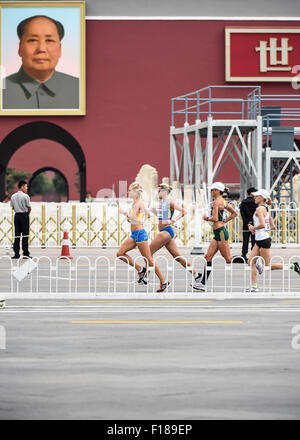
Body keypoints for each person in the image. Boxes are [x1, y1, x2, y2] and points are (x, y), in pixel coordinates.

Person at [3, 15, 79, 109]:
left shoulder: (79, 88)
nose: (41, 49)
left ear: (60, 49)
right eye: (33, 40)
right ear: (20, 48)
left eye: (49, 40)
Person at [143, 183, 202, 282]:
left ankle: (145, 277)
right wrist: (154, 211)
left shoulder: (170, 202)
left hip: (166, 232)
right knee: (177, 257)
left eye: (159, 191)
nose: (158, 193)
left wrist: (173, 220)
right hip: (165, 232)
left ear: (165, 192)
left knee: (148, 252)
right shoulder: (162, 203)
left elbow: (184, 211)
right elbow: (162, 217)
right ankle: (196, 275)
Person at [117, 182, 170, 292]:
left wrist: (126, 214)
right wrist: (131, 218)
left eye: (130, 190)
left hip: (140, 234)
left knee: (149, 260)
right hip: (134, 235)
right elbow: (134, 218)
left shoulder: (140, 203)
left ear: (136, 191)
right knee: (120, 254)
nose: (128, 192)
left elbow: (148, 215)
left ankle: (164, 281)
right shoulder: (134, 204)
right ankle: (140, 269)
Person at [246, 189, 300, 292]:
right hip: (260, 239)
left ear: (262, 198)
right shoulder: (267, 208)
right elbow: (272, 226)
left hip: (263, 240)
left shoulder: (259, 209)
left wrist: (253, 228)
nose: (255, 198)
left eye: (257, 196)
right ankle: (254, 286)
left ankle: (293, 266)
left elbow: (262, 224)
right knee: (250, 261)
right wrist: (257, 230)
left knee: (268, 266)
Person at [191, 182, 238, 291]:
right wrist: (225, 220)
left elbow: (215, 218)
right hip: (218, 233)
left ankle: (252, 260)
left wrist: (206, 218)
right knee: (208, 257)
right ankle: (202, 283)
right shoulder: (223, 201)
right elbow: (234, 213)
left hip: (220, 232)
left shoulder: (217, 202)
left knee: (228, 259)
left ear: (217, 191)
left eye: (212, 190)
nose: (211, 192)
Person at [10, 180, 31, 259]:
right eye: (26, 186)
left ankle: (16, 254)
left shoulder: (13, 196)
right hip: (24, 215)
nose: (27, 188)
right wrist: (27, 214)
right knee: (25, 235)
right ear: (22, 187)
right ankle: (25, 253)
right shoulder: (26, 196)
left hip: (17, 216)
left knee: (17, 235)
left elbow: (12, 207)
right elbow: (29, 207)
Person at [239, 186, 257, 261]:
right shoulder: (255, 202)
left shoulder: (243, 202)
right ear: (251, 193)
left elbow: (242, 214)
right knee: (254, 240)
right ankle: (253, 255)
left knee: (245, 240)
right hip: (254, 223)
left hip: (246, 224)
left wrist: (247, 222)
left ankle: (244, 254)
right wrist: (252, 223)